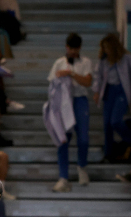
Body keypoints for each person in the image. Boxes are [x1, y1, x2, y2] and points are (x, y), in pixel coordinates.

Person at [49, 33, 93, 192]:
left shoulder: (86, 62)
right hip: (63, 103)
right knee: (63, 139)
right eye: (70, 49)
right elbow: (52, 84)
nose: (73, 52)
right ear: (66, 47)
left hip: (80, 100)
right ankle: (63, 177)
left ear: (79, 48)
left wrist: (71, 73)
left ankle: (82, 166)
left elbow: (88, 82)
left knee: (83, 138)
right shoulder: (59, 62)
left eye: (76, 49)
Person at [93, 33, 131, 164]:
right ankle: (108, 154)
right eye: (104, 48)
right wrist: (96, 91)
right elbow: (98, 76)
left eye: (108, 48)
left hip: (121, 91)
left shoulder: (126, 59)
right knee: (107, 124)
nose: (106, 51)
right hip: (108, 91)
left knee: (115, 121)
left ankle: (129, 138)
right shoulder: (103, 60)